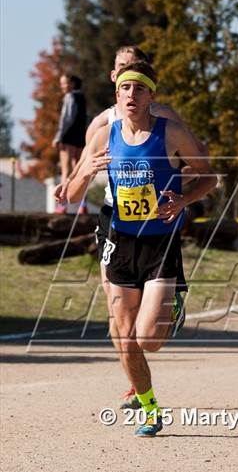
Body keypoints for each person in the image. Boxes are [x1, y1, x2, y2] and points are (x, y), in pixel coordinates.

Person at [67, 60, 216, 436]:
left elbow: (209, 177)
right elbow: (71, 194)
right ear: (117, 94)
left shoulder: (172, 134)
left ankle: (174, 304)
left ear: (152, 95)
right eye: (126, 89)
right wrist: (85, 173)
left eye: (140, 89)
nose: (132, 95)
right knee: (124, 333)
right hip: (121, 241)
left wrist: (182, 201)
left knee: (149, 339)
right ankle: (150, 408)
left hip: (160, 241)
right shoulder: (104, 136)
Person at [53, 74, 87, 214]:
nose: (62, 86)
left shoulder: (69, 97)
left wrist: (58, 137)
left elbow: (67, 118)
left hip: (69, 137)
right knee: (80, 171)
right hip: (81, 136)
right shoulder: (82, 97)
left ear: (72, 84)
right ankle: (82, 205)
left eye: (64, 83)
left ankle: (62, 205)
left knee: (66, 171)